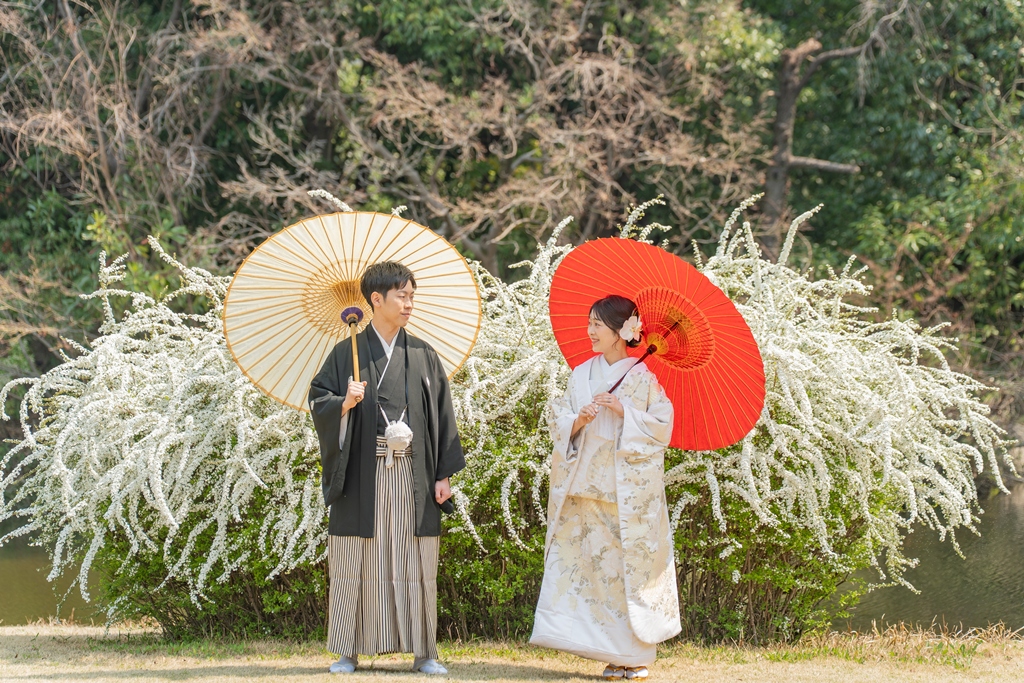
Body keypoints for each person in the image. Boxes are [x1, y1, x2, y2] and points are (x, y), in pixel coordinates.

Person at [308, 261, 465, 675]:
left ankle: (424, 652)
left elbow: (443, 417)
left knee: (415, 558)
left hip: (413, 471)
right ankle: (348, 649)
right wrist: (343, 401)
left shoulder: (423, 354)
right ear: (375, 300)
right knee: (355, 557)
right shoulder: (347, 353)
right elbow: (318, 400)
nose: (410, 303)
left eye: (412, 295)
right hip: (364, 470)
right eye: (402, 295)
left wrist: (443, 474)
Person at [530, 294, 681, 680]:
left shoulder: (643, 378)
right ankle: (602, 650)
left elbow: (662, 428)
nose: (590, 331)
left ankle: (633, 656)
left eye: (597, 324)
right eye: (590, 323)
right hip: (582, 488)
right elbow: (558, 419)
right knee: (590, 572)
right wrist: (576, 420)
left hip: (623, 495)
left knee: (622, 576)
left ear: (621, 331)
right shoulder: (581, 374)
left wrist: (624, 411)